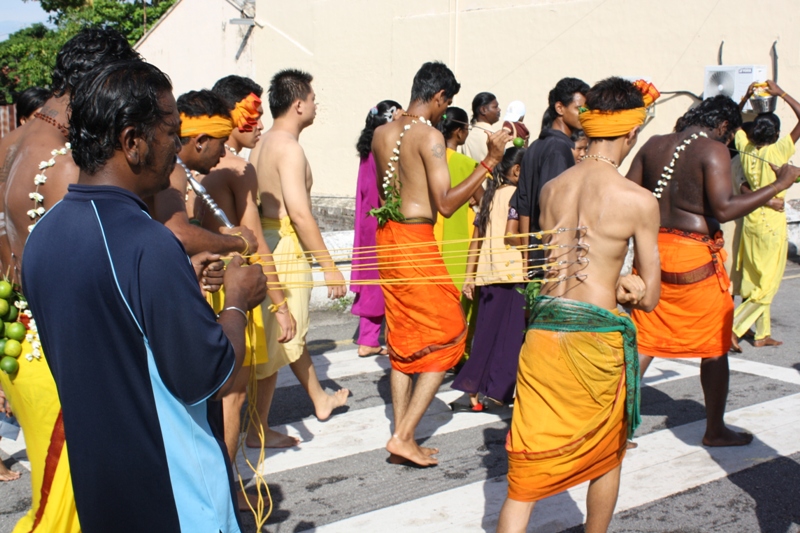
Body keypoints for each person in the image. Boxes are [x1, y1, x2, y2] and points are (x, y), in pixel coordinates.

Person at [23, 59, 267, 533]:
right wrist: (236, 299)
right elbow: (205, 374)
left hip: (100, 488)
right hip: (171, 495)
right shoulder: (146, 242)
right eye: (170, 132)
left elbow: (107, 338)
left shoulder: (44, 234)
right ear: (133, 142)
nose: (177, 147)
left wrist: (176, 291)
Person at [497, 77, 662, 533]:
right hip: (595, 342)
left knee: (525, 477)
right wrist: (629, 286)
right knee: (606, 455)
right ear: (631, 133)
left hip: (543, 335)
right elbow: (651, 296)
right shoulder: (638, 200)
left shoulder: (553, 189)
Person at [0, 27, 141, 533]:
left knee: (58, 498)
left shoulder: (9, 144)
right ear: (99, 86)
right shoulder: (71, 164)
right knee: (68, 510)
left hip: (17, 346)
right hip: (63, 356)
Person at [626, 94, 800, 447]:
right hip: (695, 260)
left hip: (652, 253)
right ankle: (715, 429)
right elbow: (724, 208)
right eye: (728, 134)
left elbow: (629, 193)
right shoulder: (712, 148)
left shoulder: (654, 144)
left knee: (645, 341)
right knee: (715, 346)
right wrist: (778, 185)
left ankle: (617, 430)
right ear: (722, 126)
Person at [371, 61, 510, 466]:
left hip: (388, 238)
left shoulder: (383, 132)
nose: (443, 110)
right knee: (450, 329)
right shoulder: (429, 136)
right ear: (438, 98)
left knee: (403, 336)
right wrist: (490, 161)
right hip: (414, 238)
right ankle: (402, 436)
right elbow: (448, 205)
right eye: (445, 103)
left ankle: (403, 434)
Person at [200, 75, 297, 483]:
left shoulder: (191, 166)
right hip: (234, 291)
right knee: (232, 396)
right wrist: (279, 303)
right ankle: (229, 487)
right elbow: (255, 244)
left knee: (211, 398)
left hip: (203, 285)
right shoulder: (238, 169)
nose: (260, 124)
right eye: (253, 115)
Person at [248, 68, 350, 448]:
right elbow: (301, 213)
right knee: (281, 338)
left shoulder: (259, 145)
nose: (316, 104)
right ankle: (257, 429)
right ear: (298, 104)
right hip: (285, 246)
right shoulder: (289, 148)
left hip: (266, 243)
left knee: (281, 335)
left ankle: (318, 398)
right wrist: (328, 267)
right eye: (313, 98)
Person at [730, 80, 800, 350]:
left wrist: (747, 94)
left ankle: (762, 334)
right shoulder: (777, 151)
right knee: (768, 284)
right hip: (770, 223)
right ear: (776, 134)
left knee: (755, 277)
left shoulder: (745, 147)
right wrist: (780, 92)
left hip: (751, 219)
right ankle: (734, 328)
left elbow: (733, 119)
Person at [455, 146, 526, 411]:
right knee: (509, 336)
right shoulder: (519, 196)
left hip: (486, 274)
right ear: (517, 170)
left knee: (485, 334)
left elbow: (476, 242)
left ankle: (471, 389)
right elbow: (513, 235)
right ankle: (497, 393)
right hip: (512, 273)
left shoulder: (489, 197)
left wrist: (469, 277)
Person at [149, 90, 258, 257]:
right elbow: (178, 234)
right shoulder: (172, 168)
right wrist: (238, 242)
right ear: (200, 142)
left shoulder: (172, 166)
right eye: (221, 143)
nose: (223, 153)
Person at [514, 77, 590, 272]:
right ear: (560, 108)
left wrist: (526, 257)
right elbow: (554, 207)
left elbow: (523, 206)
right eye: (579, 109)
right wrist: (555, 257)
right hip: (553, 259)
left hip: (536, 256)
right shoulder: (559, 148)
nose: (584, 114)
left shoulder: (535, 147)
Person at [351, 100, 401, 357]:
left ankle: (369, 337)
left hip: (367, 219)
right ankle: (369, 340)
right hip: (377, 219)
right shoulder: (381, 148)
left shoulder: (368, 147)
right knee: (378, 278)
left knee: (372, 276)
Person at [434, 107, 480, 288]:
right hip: (460, 241)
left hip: (432, 237)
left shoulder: (429, 160)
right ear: (459, 132)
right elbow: (484, 200)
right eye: (467, 128)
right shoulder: (466, 164)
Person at [462, 91, 501, 161]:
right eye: (495, 107)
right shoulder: (494, 136)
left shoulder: (466, 135)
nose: (499, 109)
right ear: (483, 110)